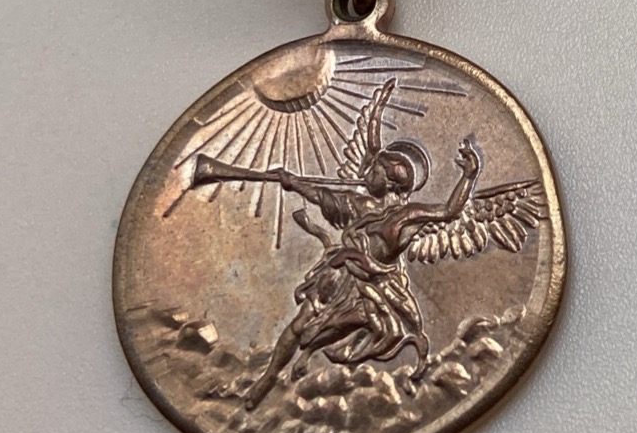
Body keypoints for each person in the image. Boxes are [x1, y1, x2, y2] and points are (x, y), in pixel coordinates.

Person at [195, 136, 484, 409]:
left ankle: (310, 362)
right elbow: (323, 196)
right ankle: (268, 377)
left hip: (374, 288)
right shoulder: (362, 205)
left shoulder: (408, 216)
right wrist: (293, 182)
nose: (368, 173)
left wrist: (469, 176)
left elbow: (449, 211)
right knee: (299, 324)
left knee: (325, 332)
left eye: (376, 170)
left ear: (391, 181)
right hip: (339, 274)